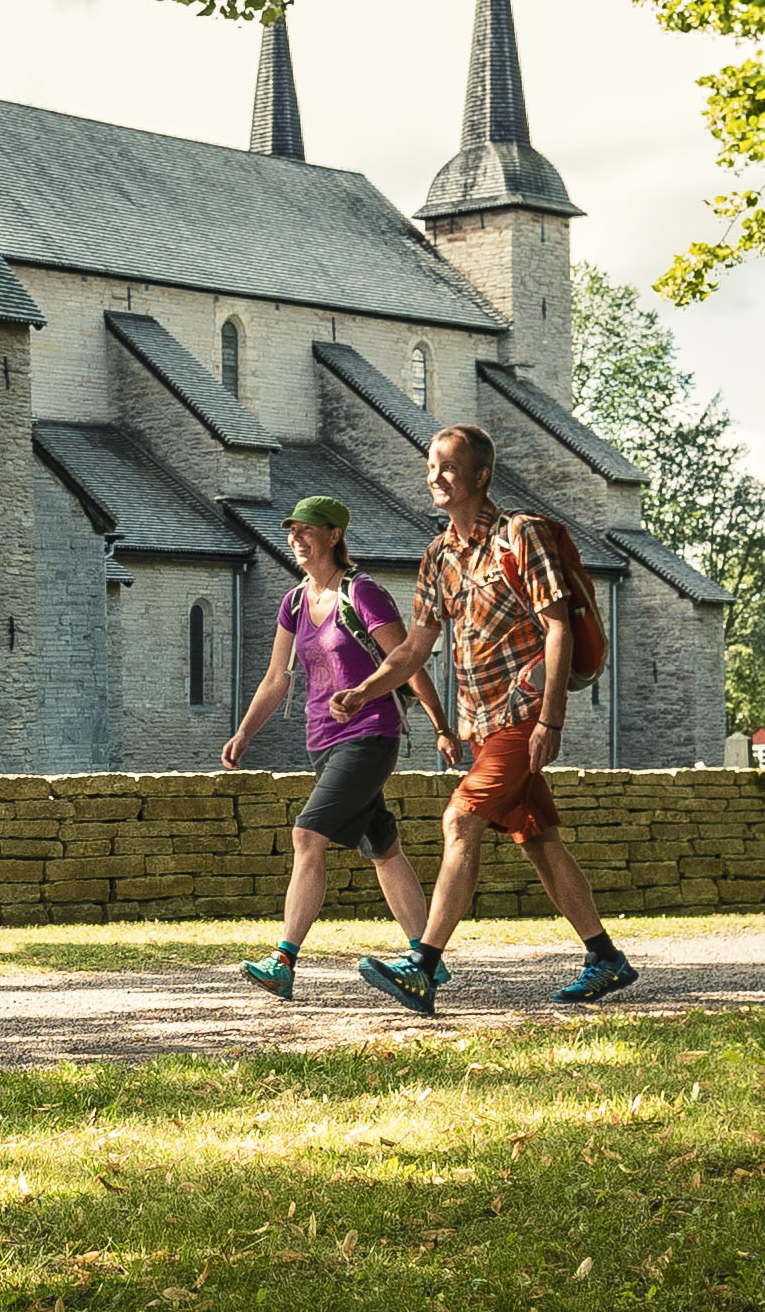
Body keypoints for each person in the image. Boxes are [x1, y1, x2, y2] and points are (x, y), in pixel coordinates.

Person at [333, 424, 636, 1013]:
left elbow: (558, 628)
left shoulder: (519, 537)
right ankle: (605, 957)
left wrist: (551, 720)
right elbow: (416, 649)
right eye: (430, 467)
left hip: (524, 716)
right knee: (540, 840)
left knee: (460, 819)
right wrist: (366, 689)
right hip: (483, 725)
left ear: (480, 475)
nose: (435, 477)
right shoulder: (437, 557)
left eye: (448, 467)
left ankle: (422, 965)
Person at [222, 496, 450, 998]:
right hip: (322, 742)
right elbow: (276, 679)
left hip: (370, 732)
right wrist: (244, 733)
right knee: (383, 848)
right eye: (291, 531)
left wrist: (441, 726)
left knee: (307, 835)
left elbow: (407, 659)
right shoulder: (294, 602)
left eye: (307, 530)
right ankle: (426, 956)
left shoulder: (362, 592)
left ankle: (284, 959)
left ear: (333, 535)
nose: (296, 539)